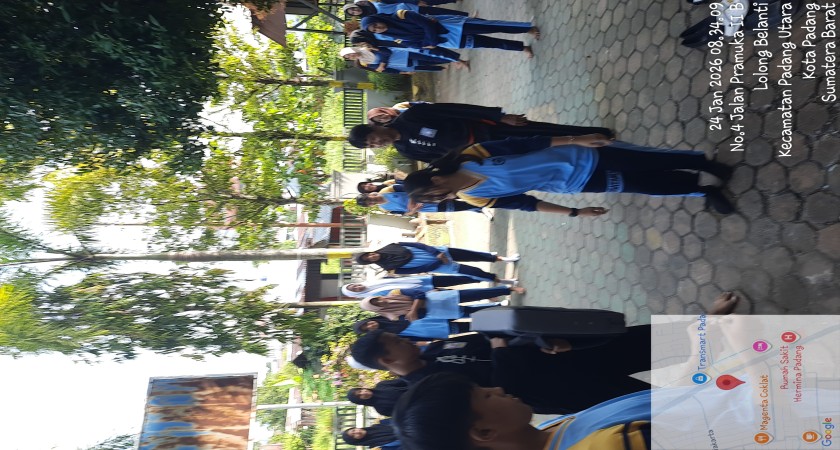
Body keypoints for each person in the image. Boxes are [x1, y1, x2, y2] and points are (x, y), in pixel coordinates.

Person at [403, 135, 736, 214]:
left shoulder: (473, 156)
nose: (442, 201)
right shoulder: (475, 198)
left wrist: (578, 138)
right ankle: (703, 191)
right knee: (645, 185)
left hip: (583, 154)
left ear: (435, 180)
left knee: (646, 161)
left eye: (433, 196)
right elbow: (527, 204)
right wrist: (575, 212)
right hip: (578, 181)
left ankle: (704, 164)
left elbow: (527, 142)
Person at [349, 327, 651, 414]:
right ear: (387, 360)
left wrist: (538, 339)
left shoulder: (437, 349)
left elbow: (490, 337)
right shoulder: (430, 391)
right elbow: (501, 393)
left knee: (655, 341)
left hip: (568, 355)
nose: (405, 340)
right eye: (397, 342)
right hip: (567, 390)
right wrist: (501, 351)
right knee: (658, 403)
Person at [391, 373, 652, 450]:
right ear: (484, 432)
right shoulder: (607, 445)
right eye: (486, 396)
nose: (498, 389)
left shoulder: (544, 432)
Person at [347, 102, 614, 162]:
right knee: (544, 151)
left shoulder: (412, 116)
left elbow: (457, 110)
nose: (376, 143)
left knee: (548, 132)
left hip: (490, 129)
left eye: (372, 139)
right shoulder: (405, 150)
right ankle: (598, 153)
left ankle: (599, 134)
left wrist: (500, 116)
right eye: (371, 146)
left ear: (374, 126)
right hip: (489, 151)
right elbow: (442, 160)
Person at [361, 12, 539, 57]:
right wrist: (429, 40)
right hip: (450, 40)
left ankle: (526, 28)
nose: (378, 28)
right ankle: (522, 47)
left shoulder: (400, 15)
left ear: (377, 19)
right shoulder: (395, 37)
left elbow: (425, 23)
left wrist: (430, 40)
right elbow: (417, 45)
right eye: (374, 30)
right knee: (489, 43)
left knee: (491, 27)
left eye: (375, 24)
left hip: (454, 27)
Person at [355, 242, 520, 282]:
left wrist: (437, 253)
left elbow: (418, 245)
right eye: (368, 260)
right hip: (443, 265)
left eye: (368, 255)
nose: (372, 257)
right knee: (475, 273)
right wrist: (437, 262)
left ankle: (507, 259)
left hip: (441, 252)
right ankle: (505, 281)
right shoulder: (390, 268)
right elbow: (416, 271)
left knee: (476, 255)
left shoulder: (390, 246)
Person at [359, 285, 524, 321]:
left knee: (475, 294)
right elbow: (419, 315)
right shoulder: (392, 316)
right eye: (376, 303)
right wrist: (416, 307)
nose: (380, 301)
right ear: (376, 309)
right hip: (438, 311)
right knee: (472, 313)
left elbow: (419, 293)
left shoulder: (394, 293)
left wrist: (413, 309)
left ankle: (508, 289)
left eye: (377, 298)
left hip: (440, 298)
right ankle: (499, 308)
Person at [340, 46, 468, 74]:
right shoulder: (364, 63)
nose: (351, 56)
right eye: (348, 58)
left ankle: (459, 60)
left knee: (431, 56)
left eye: (349, 54)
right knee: (432, 61)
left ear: (352, 50)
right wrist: (402, 72)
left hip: (404, 53)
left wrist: (382, 63)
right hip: (402, 63)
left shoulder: (367, 48)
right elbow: (384, 70)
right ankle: (455, 61)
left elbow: (386, 52)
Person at [341, 275, 487, 298]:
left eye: (354, 285)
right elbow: (399, 293)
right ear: (355, 294)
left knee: (454, 280)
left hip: (421, 280)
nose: (357, 287)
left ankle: (480, 278)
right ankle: (486, 292)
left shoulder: (371, 281)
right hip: (421, 291)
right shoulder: (373, 296)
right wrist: (426, 292)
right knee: (454, 293)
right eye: (354, 290)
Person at [356, 190, 484, 214]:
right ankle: (480, 206)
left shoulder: (387, 190)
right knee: (460, 206)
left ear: (369, 195)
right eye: (369, 203)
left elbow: (409, 187)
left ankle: (483, 200)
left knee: (462, 195)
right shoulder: (385, 209)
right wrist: (413, 210)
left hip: (430, 195)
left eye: (369, 199)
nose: (372, 201)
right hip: (430, 207)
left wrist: (412, 200)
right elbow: (406, 213)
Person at [344, 0, 467, 18]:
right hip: (410, 16)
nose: (355, 11)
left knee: (435, 5)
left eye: (353, 9)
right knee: (440, 15)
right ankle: (466, 17)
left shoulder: (373, 3)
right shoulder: (369, 18)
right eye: (353, 13)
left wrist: (415, 2)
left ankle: (465, 13)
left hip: (411, 5)